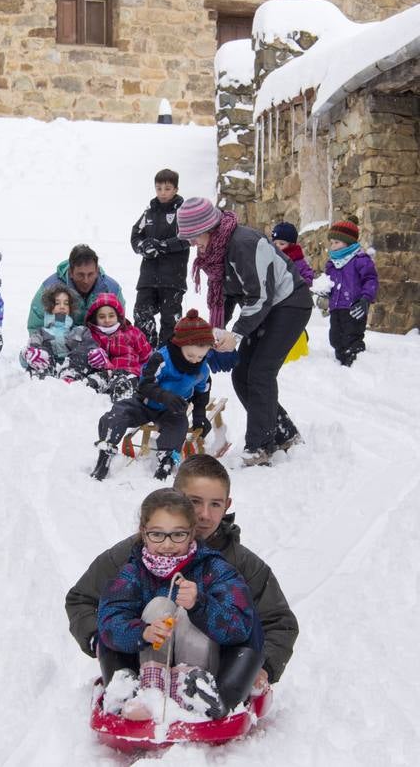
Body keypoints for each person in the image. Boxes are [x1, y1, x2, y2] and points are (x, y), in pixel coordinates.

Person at [66, 454, 297, 708]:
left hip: (214, 669)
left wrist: (265, 667)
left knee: (229, 619)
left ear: (227, 504)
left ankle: (202, 691)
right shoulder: (132, 555)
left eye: (215, 505)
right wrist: (104, 640)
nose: (204, 515)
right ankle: (133, 690)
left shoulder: (239, 564)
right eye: (194, 502)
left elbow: (278, 622)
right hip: (143, 660)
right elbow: (82, 600)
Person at [97, 488, 262, 721]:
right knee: (159, 606)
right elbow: (109, 621)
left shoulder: (214, 569)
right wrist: (142, 632)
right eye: (157, 534)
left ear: (192, 533)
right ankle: (149, 691)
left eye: (178, 535)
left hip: (205, 666)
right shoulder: (133, 573)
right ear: (143, 533)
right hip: (148, 666)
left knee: (186, 613)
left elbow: (241, 626)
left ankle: (193, 689)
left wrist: (200, 605)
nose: (167, 544)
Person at [176, 198, 313, 467]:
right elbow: (226, 295)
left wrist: (236, 334)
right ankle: (284, 433)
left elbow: (260, 295)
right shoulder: (215, 253)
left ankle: (260, 446)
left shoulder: (244, 243)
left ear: (207, 227)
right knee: (242, 374)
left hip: (289, 305)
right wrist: (216, 329)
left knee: (261, 372)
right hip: (267, 309)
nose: (193, 244)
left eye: (193, 236)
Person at [91, 309, 218, 481]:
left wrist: (199, 415)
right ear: (179, 345)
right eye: (190, 355)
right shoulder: (162, 359)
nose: (195, 360)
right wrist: (165, 396)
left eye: (200, 356)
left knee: (178, 427)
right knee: (118, 413)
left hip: (172, 411)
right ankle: (106, 453)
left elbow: (202, 392)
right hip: (145, 404)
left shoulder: (202, 369)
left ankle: (165, 462)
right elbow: (145, 385)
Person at [130, 168, 190, 348]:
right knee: (141, 314)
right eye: (159, 188)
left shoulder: (183, 212)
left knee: (170, 320)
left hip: (173, 278)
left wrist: (163, 246)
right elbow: (135, 235)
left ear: (176, 189)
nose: (162, 193)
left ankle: (167, 355)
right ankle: (144, 353)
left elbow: (187, 236)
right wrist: (144, 247)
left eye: (167, 188)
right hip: (148, 277)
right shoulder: (149, 212)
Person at [322, 216, 379, 367]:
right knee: (335, 337)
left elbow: (370, 279)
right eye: (331, 242)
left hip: (354, 308)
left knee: (351, 337)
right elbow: (328, 283)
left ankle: (356, 363)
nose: (332, 246)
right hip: (336, 308)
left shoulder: (360, 260)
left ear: (348, 243)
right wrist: (324, 290)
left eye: (337, 242)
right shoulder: (332, 264)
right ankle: (341, 364)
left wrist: (366, 299)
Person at [27, 244, 125, 330]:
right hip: (60, 345)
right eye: (80, 275)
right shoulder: (49, 288)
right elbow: (36, 326)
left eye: (90, 274)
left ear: (97, 271)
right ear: (71, 273)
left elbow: (120, 325)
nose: (86, 281)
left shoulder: (112, 289)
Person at [75, 292, 152, 401]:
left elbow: (146, 355)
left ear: (118, 316)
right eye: (102, 317)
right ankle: (85, 401)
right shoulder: (92, 334)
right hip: (104, 372)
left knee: (122, 386)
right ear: (95, 318)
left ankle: (121, 405)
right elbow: (86, 352)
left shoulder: (131, 333)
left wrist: (145, 374)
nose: (107, 320)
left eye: (111, 316)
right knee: (90, 384)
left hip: (128, 372)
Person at [20, 283, 93, 376]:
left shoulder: (80, 331)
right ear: (50, 306)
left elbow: (91, 348)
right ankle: (40, 377)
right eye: (57, 303)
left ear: (70, 308)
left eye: (66, 303)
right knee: (40, 351)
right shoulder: (40, 333)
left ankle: (69, 375)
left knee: (81, 351)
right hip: (46, 376)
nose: (62, 306)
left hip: (74, 374)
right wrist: (26, 354)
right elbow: (28, 355)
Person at [271, 222, 314, 286]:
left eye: (281, 244)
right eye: (275, 244)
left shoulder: (297, 261)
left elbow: (308, 275)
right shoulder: (271, 259)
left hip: (293, 293)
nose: (277, 246)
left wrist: (301, 284)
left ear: (291, 245)